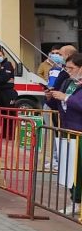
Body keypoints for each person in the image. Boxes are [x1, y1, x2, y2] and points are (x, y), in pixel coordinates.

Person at [45, 52, 82, 214]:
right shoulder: (67, 81)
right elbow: (58, 104)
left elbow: (77, 103)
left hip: (79, 132)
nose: (69, 71)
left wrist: (65, 97)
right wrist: (51, 97)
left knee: (79, 169)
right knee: (70, 170)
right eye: (66, 68)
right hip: (67, 131)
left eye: (72, 68)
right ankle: (74, 200)